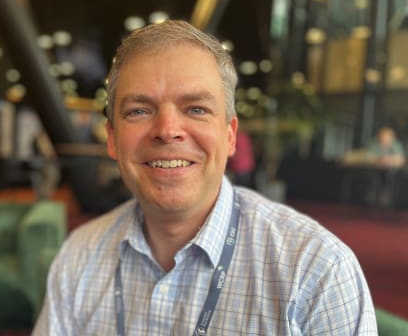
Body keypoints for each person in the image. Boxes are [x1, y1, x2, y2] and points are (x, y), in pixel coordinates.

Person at [33, 20, 377, 335]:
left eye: (196, 109)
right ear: (111, 138)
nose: (167, 131)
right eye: (139, 110)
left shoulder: (316, 270)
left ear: (230, 136)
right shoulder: (79, 256)